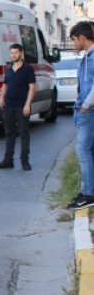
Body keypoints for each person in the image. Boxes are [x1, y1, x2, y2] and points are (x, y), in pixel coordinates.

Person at [0, 43, 36, 171]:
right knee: (9, 133)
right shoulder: (9, 68)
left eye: (16, 53)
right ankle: (8, 160)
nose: (13, 55)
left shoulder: (28, 68)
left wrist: (27, 105)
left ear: (21, 53)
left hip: (22, 106)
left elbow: (32, 87)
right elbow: (5, 84)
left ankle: (24, 160)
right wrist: (1, 98)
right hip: (9, 106)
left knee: (24, 134)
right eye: (11, 53)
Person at [68, 21, 94, 209]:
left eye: (74, 40)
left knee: (82, 151)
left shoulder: (92, 57)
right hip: (85, 110)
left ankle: (88, 194)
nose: (73, 44)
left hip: (89, 110)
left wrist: (85, 106)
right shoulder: (88, 56)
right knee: (88, 151)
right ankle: (89, 190)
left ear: (82, 38)